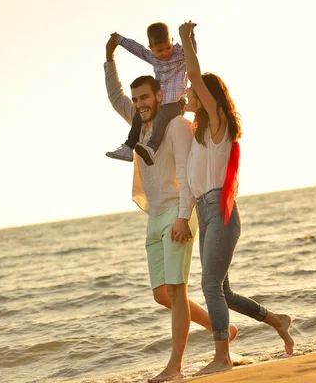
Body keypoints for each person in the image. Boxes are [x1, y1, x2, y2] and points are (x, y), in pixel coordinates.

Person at [104, 35, 236, 383]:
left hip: (176, 214)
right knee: (162, 294)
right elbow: (115, 96)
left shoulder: (177, 124)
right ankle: (222, 328)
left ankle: (174, 368)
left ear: (160, 95)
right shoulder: (139, 124)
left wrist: (182, 216)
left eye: (145, 97)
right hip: (153, 215)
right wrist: (109, 60)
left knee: (178, 290)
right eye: (136, 100)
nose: (139, 103)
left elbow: (185, 172)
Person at [178, 21, 295, 376]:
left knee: (209, 285)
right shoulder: (199, 136)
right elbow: (182, 97)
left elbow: (197, 77)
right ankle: (278, 321)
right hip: (205, 211)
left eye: (193, 92)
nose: (188, 94)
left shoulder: (218, 126)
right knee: (222, 291)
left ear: (208, 97)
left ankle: (221, 357)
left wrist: (185, 42)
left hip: (221, 212)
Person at [105, 22, 197, 166]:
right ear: (152, 49)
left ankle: (152, 148)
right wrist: (119, 39)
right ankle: (129, 147)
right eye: (160, 50)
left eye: (168, 47)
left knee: (161, 117)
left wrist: (189, 34)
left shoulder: (180, 54)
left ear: (172, 41)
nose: (165, 53)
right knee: (138, 115)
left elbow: (192, 51)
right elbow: (137, 49)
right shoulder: (154, 58)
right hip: (159, 103)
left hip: (176, 103)